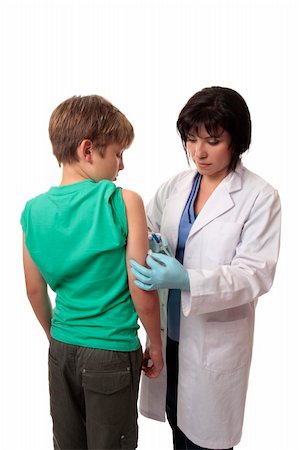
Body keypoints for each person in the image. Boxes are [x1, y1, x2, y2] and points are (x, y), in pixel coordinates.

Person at [130, 86, 281, 450]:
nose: (199, 152)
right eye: (191, 139)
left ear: (237, 141)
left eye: (213, 140)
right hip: (170, 338)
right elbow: (145, 226)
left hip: (214, 344)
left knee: (205, 442)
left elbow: (255, 274)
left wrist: (186, 279)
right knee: (176, 428)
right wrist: (152, 240)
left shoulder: (260, 197)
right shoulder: (176, 186)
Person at [21, 95, 163, 450]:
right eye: (117, 153)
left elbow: (34, 291)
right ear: (88, 150)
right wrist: (155, 343)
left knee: (67, 444)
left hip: (63, 348)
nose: (122, 165)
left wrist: (56, 338)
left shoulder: (32, 212)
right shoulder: (122, 201)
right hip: (112, 351)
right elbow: (140, 285)